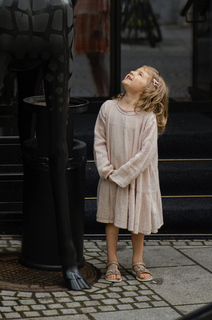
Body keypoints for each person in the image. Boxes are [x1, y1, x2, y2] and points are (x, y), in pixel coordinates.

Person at [93, 65, 168, 282]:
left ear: (147, 90)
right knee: (112, 218)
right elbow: (99, 140)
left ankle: (137, 259)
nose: (133, 72)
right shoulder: (108, 108)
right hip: (112, 175)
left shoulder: (148, 117)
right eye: (135, 70)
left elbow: (147, 152)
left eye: (141, 74)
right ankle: (112, 260)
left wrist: (124, 174)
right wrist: (107, 170)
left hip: (137, 177)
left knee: (138, 217)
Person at [73, 0, 110, 97]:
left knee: (98, 59)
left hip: (95, 22)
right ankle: (100, 91)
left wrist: (99, 24)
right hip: (85, 22)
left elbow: (105, 5)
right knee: (92, 60)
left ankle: (108, 91)